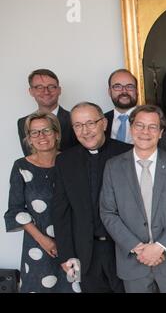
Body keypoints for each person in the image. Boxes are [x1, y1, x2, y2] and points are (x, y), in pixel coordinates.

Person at [100, 105, 166, 293]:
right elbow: (108, 212)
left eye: (152, 127)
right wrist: (138, 248)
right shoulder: (113, 167)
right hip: (134, 263)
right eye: (140, 125)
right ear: (131, 128)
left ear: (161, 133)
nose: (145, 132)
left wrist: (160, 247)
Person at [51, 102, 132, 293]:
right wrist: (66, 255)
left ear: (104, 123)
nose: (85, 131)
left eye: (90, 123)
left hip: (124, 251)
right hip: (85, 254)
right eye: (78, 125)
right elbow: (61, 212)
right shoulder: (64, 160)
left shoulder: (127, 153)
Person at [5, 112, 77, 292]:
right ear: (29, 139)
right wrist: (44, 240)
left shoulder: (72, 162)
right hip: (37, 247)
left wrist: (64, 244)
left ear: (57, 134)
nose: (41, 136)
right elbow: (15, 210)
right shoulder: (21, 166)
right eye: (34, 132)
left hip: (72, 244)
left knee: (74, 287)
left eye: (46, 130)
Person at [18, 69, 77, 156]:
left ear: (59, 90)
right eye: (39, 87)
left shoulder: (75, 119)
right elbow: (29, 159)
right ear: (31, 91)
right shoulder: (23, 123)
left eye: (51, 87)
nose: (46, 92)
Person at [104, 69, 138, 144]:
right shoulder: (101, 121)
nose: (124, 91)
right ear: (109, 92)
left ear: (137, 91)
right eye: (117, 86)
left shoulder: (152, 119)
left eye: (129, 86)